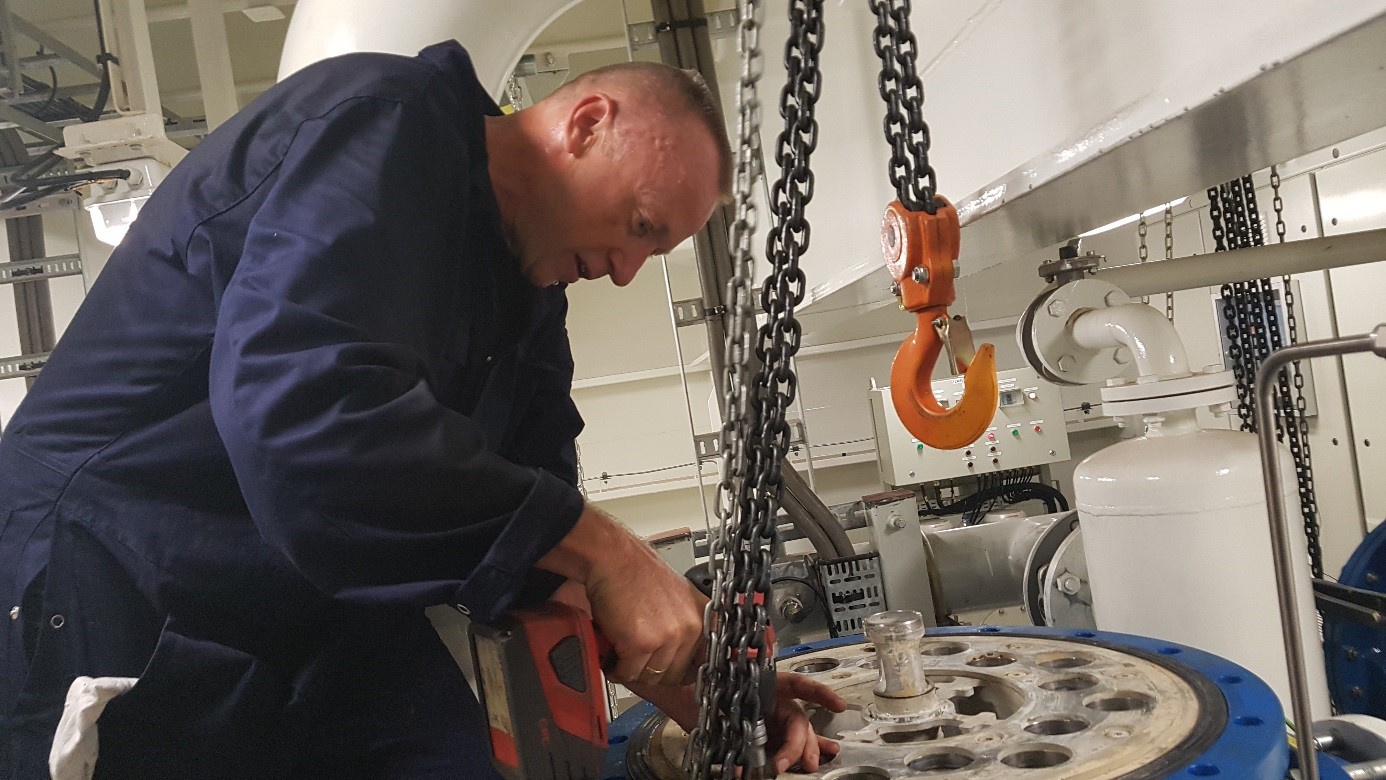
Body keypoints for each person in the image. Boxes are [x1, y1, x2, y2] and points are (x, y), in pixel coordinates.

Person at [0, 41, 844, 778]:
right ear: (587, 125)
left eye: (653, 254)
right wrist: (610, 551)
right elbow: (305, 412)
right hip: (112, 573)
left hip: (301, 600)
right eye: (641, 225)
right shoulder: (384, 126)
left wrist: (705, 687)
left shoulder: (524, 292)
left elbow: (534, 521)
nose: (626, 271)